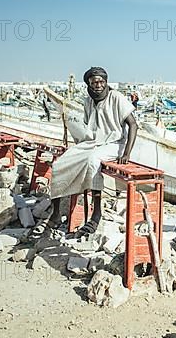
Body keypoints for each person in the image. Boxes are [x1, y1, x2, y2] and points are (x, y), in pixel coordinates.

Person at [31, 67, 138, 239]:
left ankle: (97, 213)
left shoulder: (116, 97)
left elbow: (133, 124)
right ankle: (56, 212)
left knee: (92, 161)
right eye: (94, 82)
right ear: (88, 83)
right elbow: (91, 127)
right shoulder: (88, 101)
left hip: (114, 143)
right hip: (95, 142)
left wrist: (126, 153)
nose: (98, 85)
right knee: (60, 163)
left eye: (102, 82)